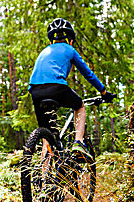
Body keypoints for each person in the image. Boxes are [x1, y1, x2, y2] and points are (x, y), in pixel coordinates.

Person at [29, 18, 116, 161]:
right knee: (79, 105)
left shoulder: (44, 51)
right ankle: (78, 143)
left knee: (48, 138)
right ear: (70, 40)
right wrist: (104, 92)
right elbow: (88, 74)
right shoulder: (70, 49)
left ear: (52, 41)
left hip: (35, 91)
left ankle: (45, 179)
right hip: (56, 87)